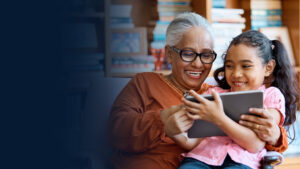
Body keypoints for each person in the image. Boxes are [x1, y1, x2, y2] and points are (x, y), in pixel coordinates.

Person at [108, 12, 288, 169]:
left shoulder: (217, 94)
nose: (198, 63)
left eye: (206, 55)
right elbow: (115, 132)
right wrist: (163, 122)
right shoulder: (145, 83)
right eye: (188, 53)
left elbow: (261, 139)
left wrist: (276, 135)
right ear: (169, 54)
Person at [172, 30, 298, 169]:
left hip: (242, 162)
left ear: (268, 68)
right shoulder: (213, 93)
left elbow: (255, 144)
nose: (236, 74)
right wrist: (173, 131)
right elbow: (193, 142)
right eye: (229, 66)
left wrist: (219, 118)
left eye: (246, 66)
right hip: (201, 159)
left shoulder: (270, 96)